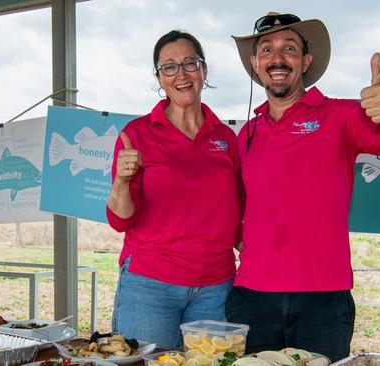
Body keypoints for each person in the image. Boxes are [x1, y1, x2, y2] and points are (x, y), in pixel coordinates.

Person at [225, 12, 380, 361]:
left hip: (323, 297)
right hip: (252, 295)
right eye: (266, 50)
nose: (277, 59)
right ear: (255, 64)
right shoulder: (246, 135)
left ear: (306, 61)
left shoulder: (340, 115)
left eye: (289, 48)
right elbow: (241, 202)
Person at [106, 30, 243, 350]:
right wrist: (122, 182)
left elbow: (240, 214)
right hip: (150, 287)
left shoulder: (227, 138)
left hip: (215, 289)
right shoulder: (136, 134)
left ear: (204, 71)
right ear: (159, 78)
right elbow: (119, 220)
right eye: (169, 67)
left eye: (189, 63)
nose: (180, 74)